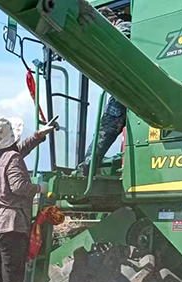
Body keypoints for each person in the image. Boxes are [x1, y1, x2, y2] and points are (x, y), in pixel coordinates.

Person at [0, 116, 57, 282]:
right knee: (13, 278)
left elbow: (18, 150)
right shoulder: (13, 158)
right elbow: (19, 186)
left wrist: (38, 136)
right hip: (11, 226)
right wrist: (39, 188)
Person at [75, 9, 132, 176]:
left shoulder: (124, 29)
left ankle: (87, 167)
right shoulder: (129, 29)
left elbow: (116, 53)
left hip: (126, 89)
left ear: (109, 22)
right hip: (128, 87)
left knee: (107, 126)